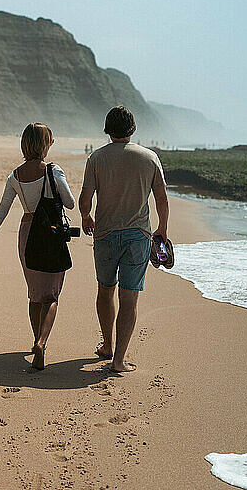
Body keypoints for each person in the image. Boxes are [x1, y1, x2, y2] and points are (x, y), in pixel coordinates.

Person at [79, 106, 169, 373]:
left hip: (105, 234)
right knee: (129, 298)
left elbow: (86, 197)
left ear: (107, 129)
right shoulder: (149, 157)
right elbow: (161, 198)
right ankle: (118, 360)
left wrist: (86, 217)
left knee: (105, 290)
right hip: (138, 236)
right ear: (133, 129)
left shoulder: (96, 158)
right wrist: (162, 229)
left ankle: (107, 344)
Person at [0, 123, 75, 370]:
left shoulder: (15, 175)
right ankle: (42, 342)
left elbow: (3, 208)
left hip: (26, 233)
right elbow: (70, 203)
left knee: (35, 295)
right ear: (45, 144)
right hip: (50, 234)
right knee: (51, 296)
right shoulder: (54, 171)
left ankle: (35, 340)